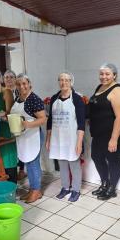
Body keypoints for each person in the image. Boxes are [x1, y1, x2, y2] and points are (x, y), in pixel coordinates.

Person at [88, 63, 120, 200]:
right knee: (96, 157)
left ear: (114, 75)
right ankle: (104, 183)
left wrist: (114, 139)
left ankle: (112, 189)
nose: (103, 77)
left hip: (111, 134)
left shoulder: (118, 91)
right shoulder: (100, 87)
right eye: (101, 74)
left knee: (112, 160)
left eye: (107, 74)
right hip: (98, 134)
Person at [45, 72, 85, 202]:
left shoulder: (77, 99)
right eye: (61, 80)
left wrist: (79, 142)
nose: (64, 83)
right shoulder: (54, 98)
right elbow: (50, 120)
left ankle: (76, 190)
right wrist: (48, 139)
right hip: (58, 138)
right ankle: (65, 187)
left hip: (72, 139)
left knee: (74, 163)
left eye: (67, 80)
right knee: (62, 163)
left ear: (71, 82)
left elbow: (81, 123)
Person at [11, 74, 47, 203]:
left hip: (33, 135)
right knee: (28, 162)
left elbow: (43, 119)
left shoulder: (34, 99)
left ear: (29, 84)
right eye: (19, 84)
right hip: (23, 136)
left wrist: (28, 124)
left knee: (33, 163)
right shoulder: (18, 98)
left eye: (24, 83)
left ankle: (36, 191)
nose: (22, 86)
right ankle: (33, 189)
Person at [4, 69, 27, 181]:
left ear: (15, 79)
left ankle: (21, 170)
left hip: (18, 123)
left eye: (11, 77)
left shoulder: (19, 91)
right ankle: (11, 171)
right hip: (6, 124)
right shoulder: (3, 92)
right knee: (11, 148)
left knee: (20, 146)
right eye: (6, 77)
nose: (9, 79)